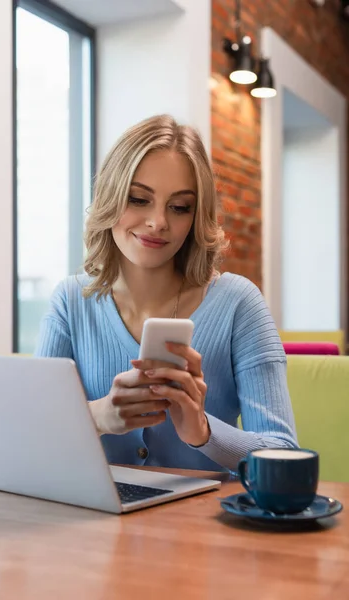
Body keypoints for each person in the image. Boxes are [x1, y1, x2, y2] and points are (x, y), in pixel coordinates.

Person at [35, 114, 297, 473]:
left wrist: (203, 431)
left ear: (195, 216)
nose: (158, 221)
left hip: (204, 526)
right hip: (97, 523)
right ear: (110, 197)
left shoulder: (239, 304)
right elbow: (33, 435)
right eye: (139, 199)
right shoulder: (70, 301)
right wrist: (96, 416)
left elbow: (284, 456)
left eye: (179, 207)